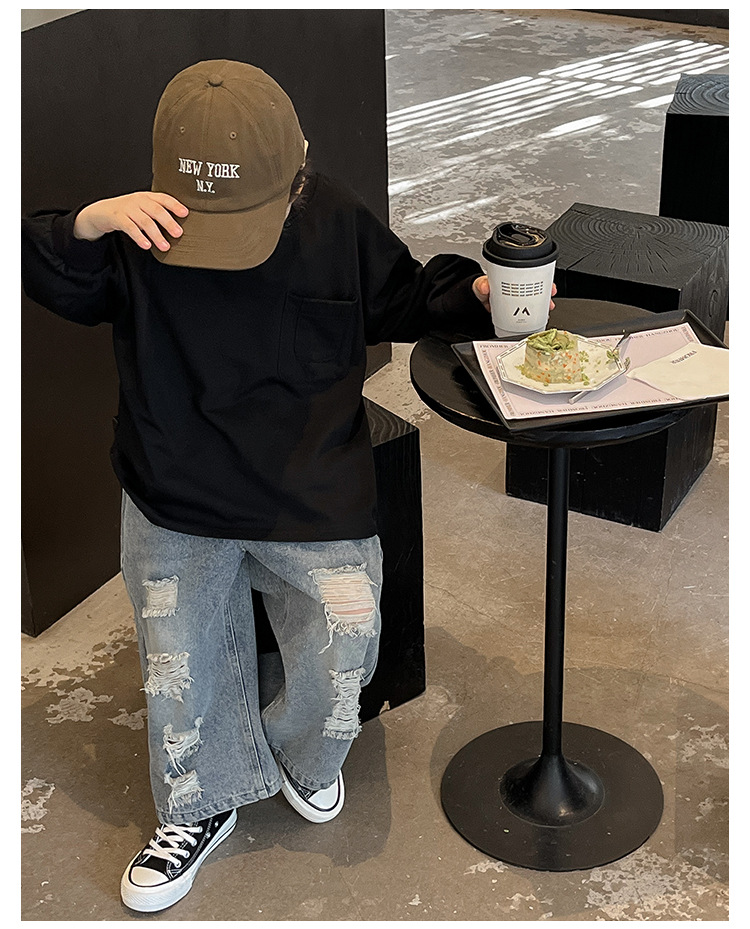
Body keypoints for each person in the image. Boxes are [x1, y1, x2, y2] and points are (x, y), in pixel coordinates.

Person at [22, 59, 553, 913]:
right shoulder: (140, 230)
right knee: (179, 665)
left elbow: (400, 298)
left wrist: (478, 294)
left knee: (346, 642)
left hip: (309, 486)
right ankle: (200, 801)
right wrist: (88, 221)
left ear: (298, 164)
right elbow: (41, 268)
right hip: (174, 487)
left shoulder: (331, 213)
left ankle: (303, 757)